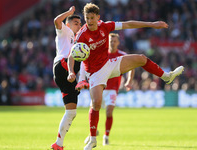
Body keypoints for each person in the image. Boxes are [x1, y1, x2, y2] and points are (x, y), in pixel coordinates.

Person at [67, 3, 184, 150]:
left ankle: (166, 76)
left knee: (141, 58)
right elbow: (72, 55)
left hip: (109, 64)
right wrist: (71, 71)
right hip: (95, 73)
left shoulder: (106, 26)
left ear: (98, 17)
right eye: (87, 18)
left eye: (92, 18)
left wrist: (152, 24)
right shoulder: (82, 35)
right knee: (96, 103)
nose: (89, 21)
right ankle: (92, 139)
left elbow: (128, 24)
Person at [84, 33, 135, 146]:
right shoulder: (102, 54)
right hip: (99, 87)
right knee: (93, 109)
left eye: (114, 41)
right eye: (110, 41)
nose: (112, 43)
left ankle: (106, 136)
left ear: (118, 42)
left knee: (109, 112)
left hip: (112, 89)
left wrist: (129, 80)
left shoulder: (122, 55)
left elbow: (132, 66)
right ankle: (92, 133)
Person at [51, 6, 88, 150]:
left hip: (65, 74)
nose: (79, 25)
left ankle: (58, 144)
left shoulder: (77, 37)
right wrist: (69, 13)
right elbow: (56, 20)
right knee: (84, 53)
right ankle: (85, 78)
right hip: (62, 66)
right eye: (76, 23)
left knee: (71, 112)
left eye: (80, 23)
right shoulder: (64, 31)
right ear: (68, 24)